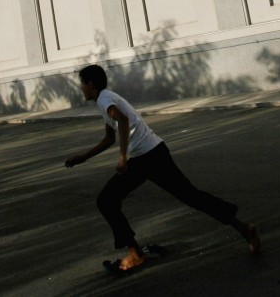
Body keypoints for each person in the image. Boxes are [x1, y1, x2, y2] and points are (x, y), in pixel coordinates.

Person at [64, 64, 260, 275]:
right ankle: (244, 228)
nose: (81, 88)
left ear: (91, 84)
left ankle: (136, 254)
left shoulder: (104, 99)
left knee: (107, 200)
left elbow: (122, 119)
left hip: (148, 157)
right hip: (150, 154)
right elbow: (110, 136)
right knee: (189, 196)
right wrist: (83, 157)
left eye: (82, 84)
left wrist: (122, 157)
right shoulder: (105, 98)